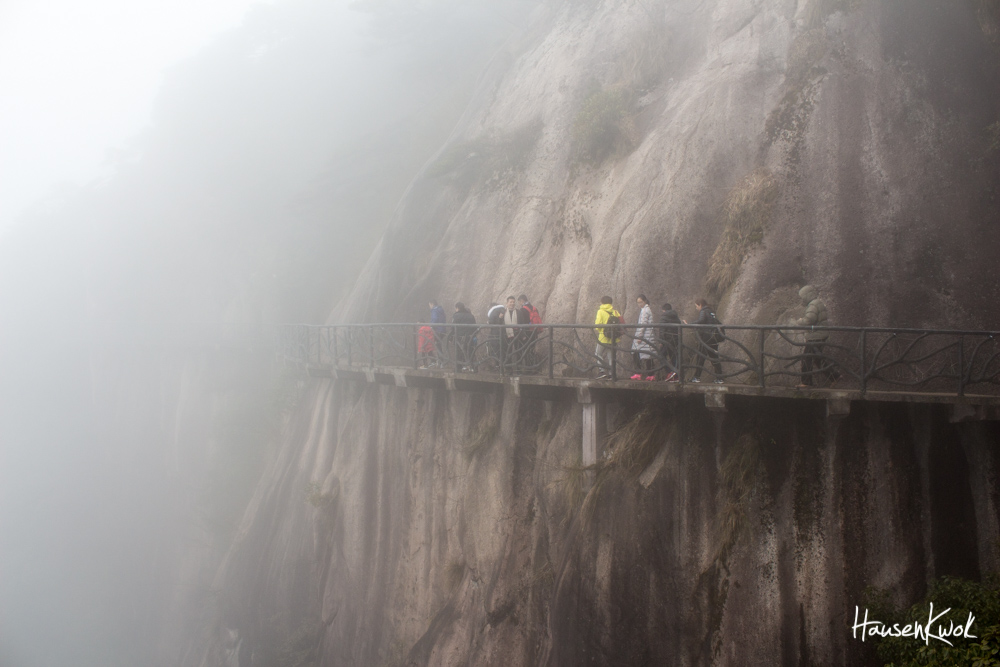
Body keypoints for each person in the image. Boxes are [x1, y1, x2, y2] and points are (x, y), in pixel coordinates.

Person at [795, 284, 839, 387]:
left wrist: (800, 321)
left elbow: (809, 319)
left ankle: (806, 382)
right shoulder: (817, 303)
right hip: (820, 335)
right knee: (817, 358)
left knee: (806, 358)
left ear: (807, 295)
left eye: (802, 297)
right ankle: (834, 377)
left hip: (815, 336)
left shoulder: (813, 305)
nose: (802, 299)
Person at [685, 298, 724, 383]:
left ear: (700, 305)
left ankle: (696, 377)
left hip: (706, 338)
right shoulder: (711, 311)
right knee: (714, 358)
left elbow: (701, 321)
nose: (696, 308)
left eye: (696, 306)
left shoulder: (703, 311)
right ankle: (720, 378)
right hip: (713, 337)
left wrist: (689, 324)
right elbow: (718, 322)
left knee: (700, 358)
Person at [594, 296, 622, 379]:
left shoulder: (600, 311)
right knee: (611, 356)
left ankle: (601, 371)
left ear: (602, 302)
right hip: (613, 338)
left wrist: (598, 329)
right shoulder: (615, 312)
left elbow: (598, 324)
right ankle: (611, 373)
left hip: (603, 337)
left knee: (598, 353)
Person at [630, 294, 656, 380]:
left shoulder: (644, 310)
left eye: (641, 302)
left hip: (644, 336)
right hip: (648, 336)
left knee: (636, 353)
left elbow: (643, 324)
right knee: (648, 356)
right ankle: (651, 375)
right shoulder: (646, 309)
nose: (639, 304)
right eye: (638, 302)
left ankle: (638, 373)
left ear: (644, 301)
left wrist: (639, 337)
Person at [502, 295, 529, 372]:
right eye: (510, 302)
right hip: (507, 335)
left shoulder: (518, 312)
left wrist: (523, 335)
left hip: (517, 334)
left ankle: (519, 369)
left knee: (518, 351)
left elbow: (522, 323)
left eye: (513, 302)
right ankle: (508, 369)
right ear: (507, 303)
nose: (512, 303)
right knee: (507, 351)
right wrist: (500, 318)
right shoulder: (503, 312)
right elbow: (500, 324)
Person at [658, 302, 681, 381]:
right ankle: (676, 374)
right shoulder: (676, 316)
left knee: (661, 355)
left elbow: (662, 329)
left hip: (667, 340)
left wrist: (661, 341)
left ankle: (669, 372)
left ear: (664, 310)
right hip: (675, 340)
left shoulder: (664, 316)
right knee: (673, 356)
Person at [518, 294, 542, 372]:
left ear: (522, 301)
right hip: (534, 332)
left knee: (526, 350)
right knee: (532, 349)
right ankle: (533, 367)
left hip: (527, 333)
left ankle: (528, 369)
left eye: (519, 302)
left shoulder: (522, 310)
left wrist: (522, 335)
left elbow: (522, 323)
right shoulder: (534, 308)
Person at [451, 302, 477, 371]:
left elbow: (453, 327)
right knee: (470, 352)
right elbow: (475, 327)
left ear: (457, 308)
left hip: (460, 337)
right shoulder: (471, 315)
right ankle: (473, 367)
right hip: (469, 337)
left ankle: (459, 367)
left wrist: (451, 336)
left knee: (459, 352)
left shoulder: (456, 316)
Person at [486, 302, 505, 370]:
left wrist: (489, 323)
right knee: (503, 349)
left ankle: (497, 365)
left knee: (495, 349)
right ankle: (504, 365)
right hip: (503, 333)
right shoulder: (503, 309)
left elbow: (491, 323)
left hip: (495, 333)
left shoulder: (492, 312)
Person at [429, 300, 446, 364]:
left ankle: (440, 361)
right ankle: (441, 361)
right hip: (442, 329)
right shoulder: (440, 309)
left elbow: (435, 319)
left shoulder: (434, 310)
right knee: (439, 345)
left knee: (437, 345)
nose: (430, 307)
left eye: (429, 305)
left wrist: (431, 326)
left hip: (437, 330)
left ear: (432, 304)